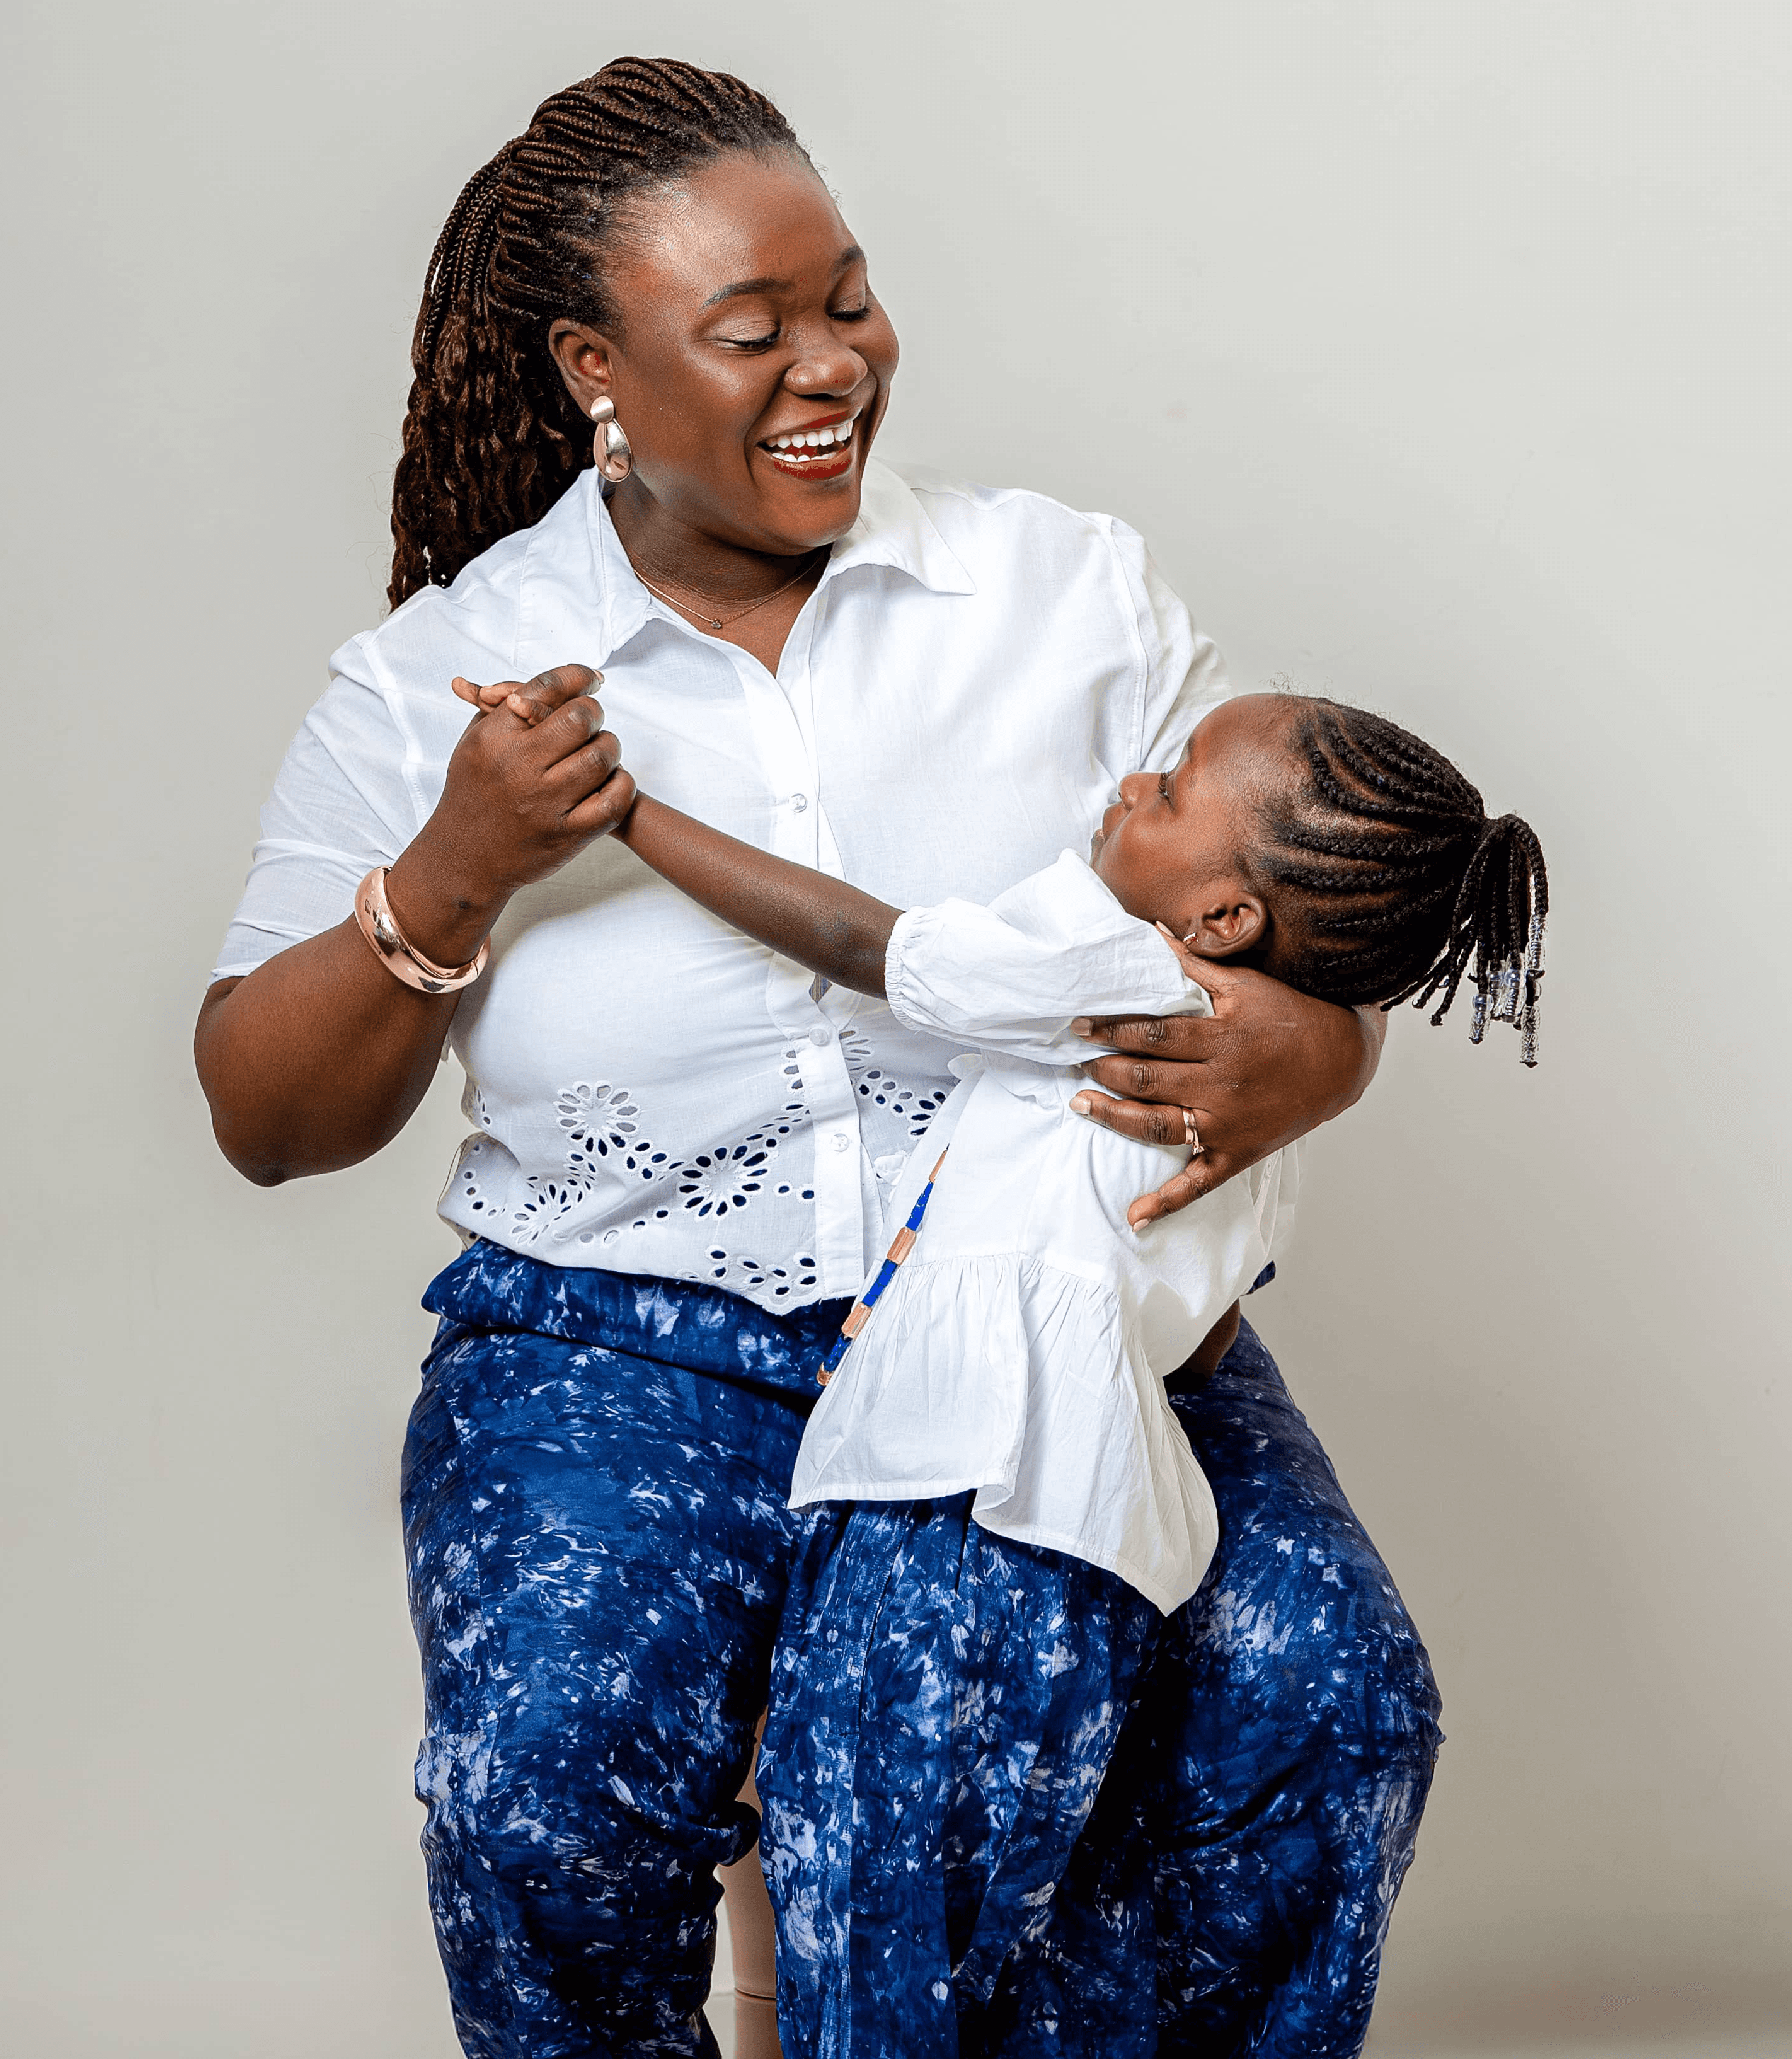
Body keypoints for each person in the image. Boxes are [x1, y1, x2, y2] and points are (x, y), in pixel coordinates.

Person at [193, 55, 1442, 2059]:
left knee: (1330, 1691)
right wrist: (456, 865)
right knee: (542, 1787)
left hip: (1056, 1326)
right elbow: (263, 1114)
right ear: (598, 367)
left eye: (848, 300)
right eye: (751, 329)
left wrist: (1324, 1059)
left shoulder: (1064, 588)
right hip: (626, 1350)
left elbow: (1283, 914)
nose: (830, 365)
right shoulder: (447, 671)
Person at [524, 679, 1545, 2055]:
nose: (1136, 783)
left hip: (950, 1510)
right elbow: (1211, 1326)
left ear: (1227, 918)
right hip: (1100, 1559)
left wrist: (632, 814)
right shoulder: (1253, 1106)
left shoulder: (1112, 966)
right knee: (1028, 1945)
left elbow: (857, 939)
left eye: (1174, 784)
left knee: (872, 1927)